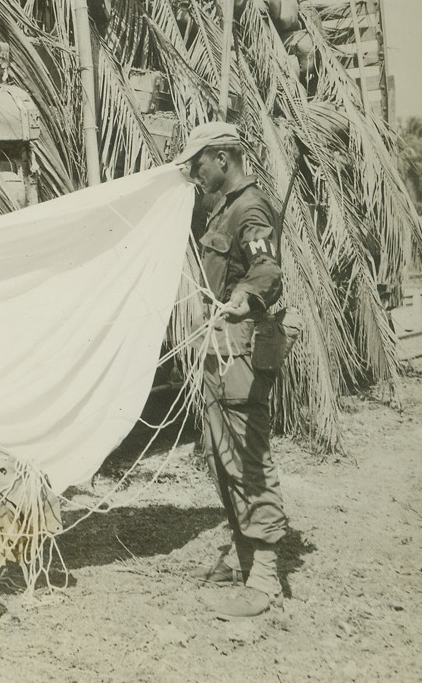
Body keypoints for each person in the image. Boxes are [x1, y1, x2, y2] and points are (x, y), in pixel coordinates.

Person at [175, 121, 289, 619]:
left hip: (242, 352)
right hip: (222, 354)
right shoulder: (216, 211)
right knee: (225, 462)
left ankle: (265, 581)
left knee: (248, 460)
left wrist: (244, 298)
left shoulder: (249, 207)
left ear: (223, 158)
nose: (194, 170)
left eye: (199, 161)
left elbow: (267, 268)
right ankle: (248, 561)